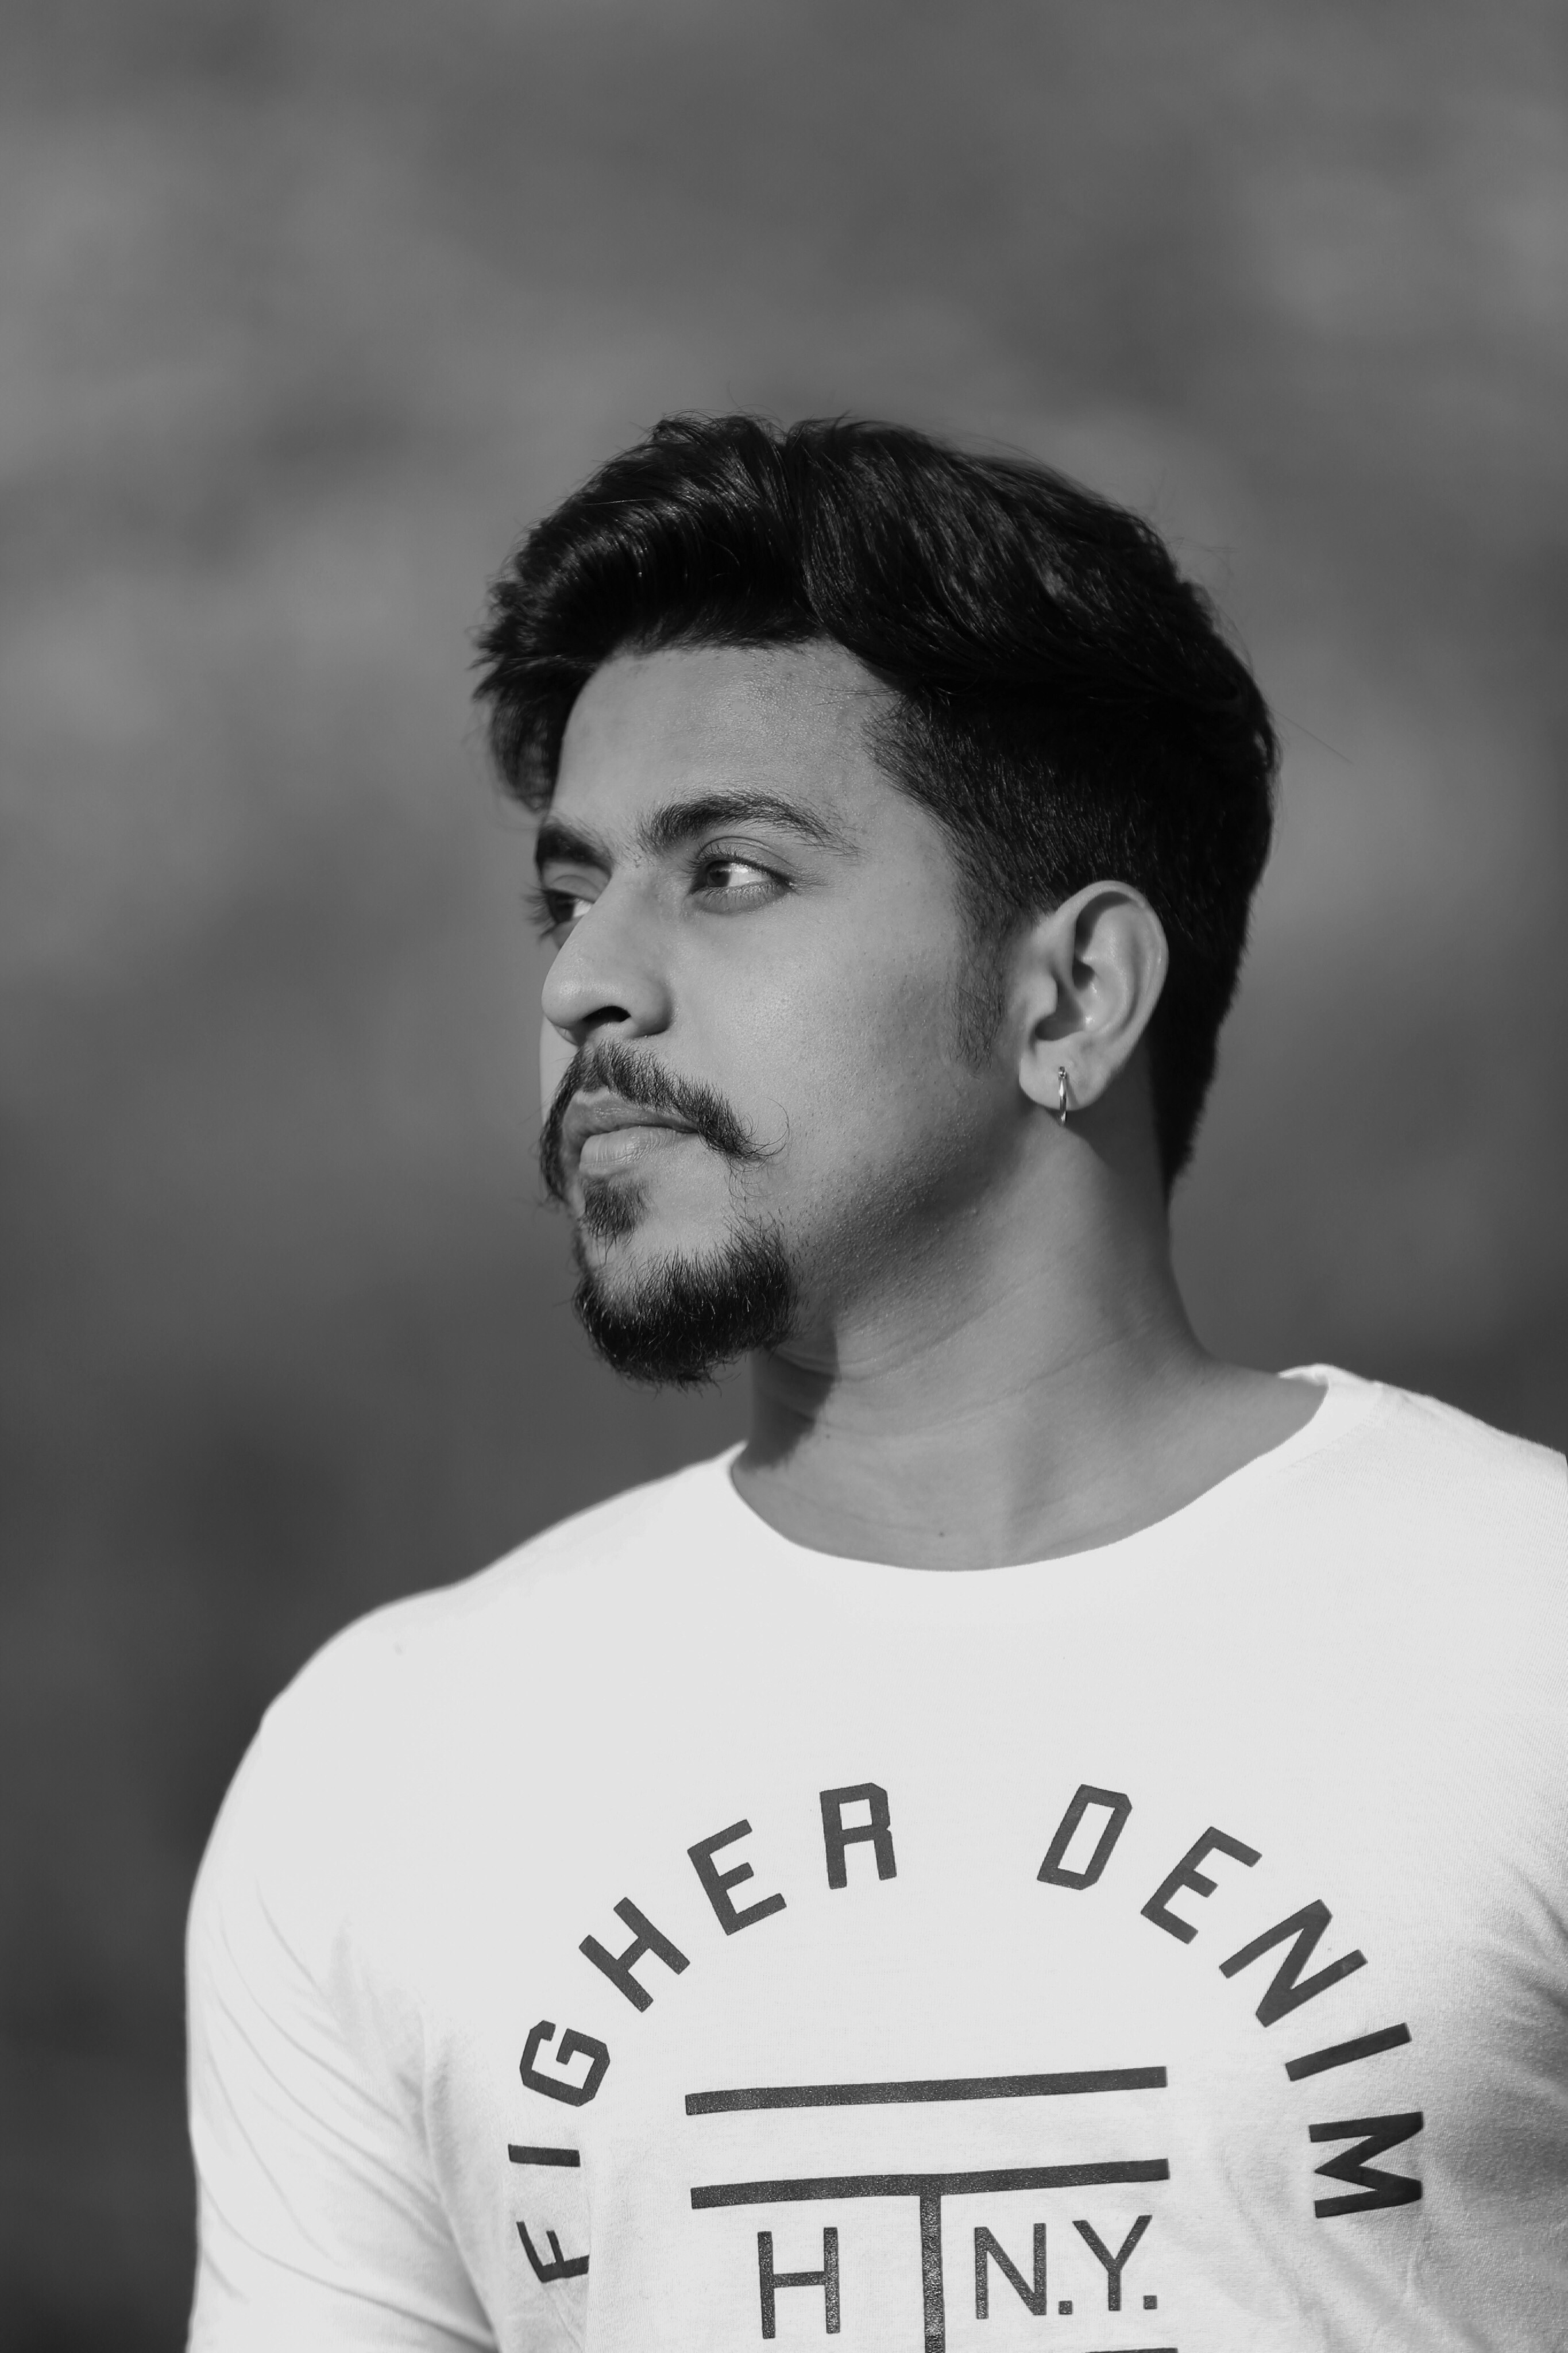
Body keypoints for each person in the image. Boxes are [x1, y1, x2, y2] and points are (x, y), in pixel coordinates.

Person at [185, 415, 1568, 2353]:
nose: (584, 984)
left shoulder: (1522, 1634)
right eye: (567, 896)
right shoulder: (386, 1758)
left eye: (728, 874)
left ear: (1068, 996)